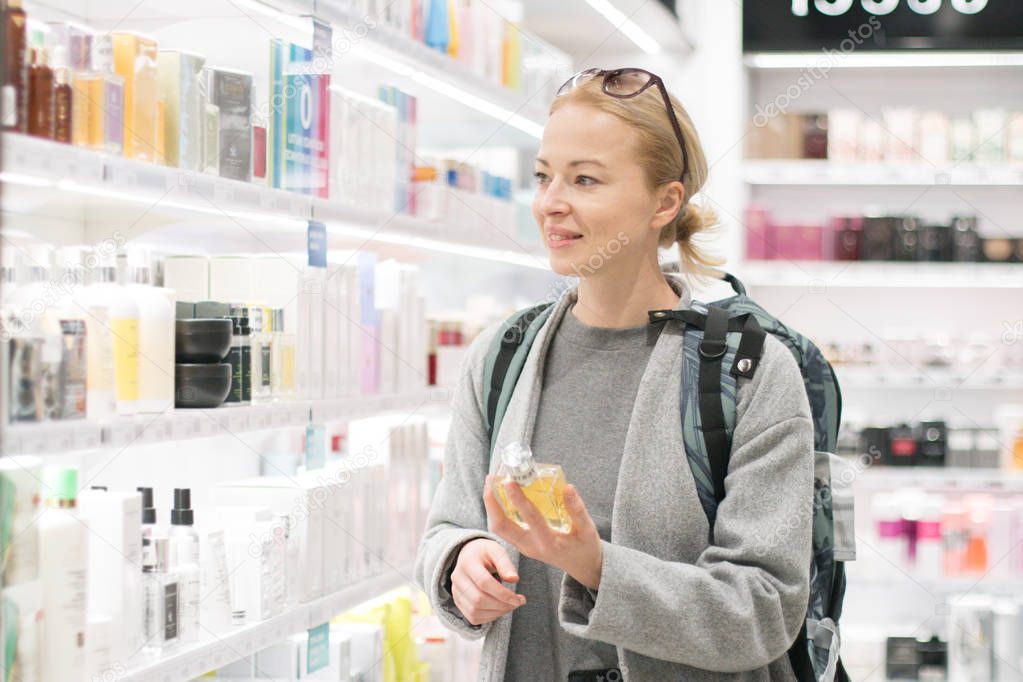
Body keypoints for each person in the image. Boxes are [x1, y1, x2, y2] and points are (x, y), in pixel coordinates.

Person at [415, 67, 814, 681]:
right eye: (544, 175)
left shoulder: (749, 373)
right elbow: (450, 526)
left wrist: (596, 566)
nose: (551, 202)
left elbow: (763, 608)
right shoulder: (502, 356)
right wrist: (460, 562)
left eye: (585, 179)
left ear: (665, 202)